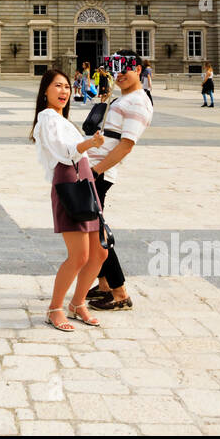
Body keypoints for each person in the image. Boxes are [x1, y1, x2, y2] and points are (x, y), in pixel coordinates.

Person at [31, 68, 107, 333]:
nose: (64, 91)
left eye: (66, 86)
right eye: (57, 87)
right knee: (79, 255)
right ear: (45, 92)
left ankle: (77, 303)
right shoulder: (48, 118)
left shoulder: (63, 120)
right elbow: (64, 153)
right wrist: (89, 144)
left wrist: (89, 147)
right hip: (69, 184)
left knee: (100, 252)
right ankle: (55, 308)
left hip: (84, 182)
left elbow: (78, 153)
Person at [88, 59, 153, 311]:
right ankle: (104, 285)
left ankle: (120, 293)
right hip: (94, 169)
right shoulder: (124, 98)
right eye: (115, 70)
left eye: (125, 70)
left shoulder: (138, 101)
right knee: (93, 230)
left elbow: (127, 144)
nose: (119, 75)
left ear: (138, 70)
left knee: (97, 234)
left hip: (99, 173)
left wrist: (96, 170)